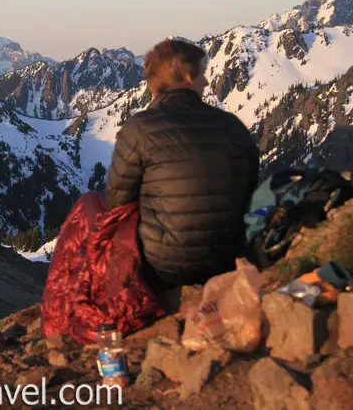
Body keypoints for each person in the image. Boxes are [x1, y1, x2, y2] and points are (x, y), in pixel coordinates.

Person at [106, 38, 259, 288]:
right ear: (189, 77)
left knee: (90, 207)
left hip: (164, 266)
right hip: (227, 257)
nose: (207, 81)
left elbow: (116, 200)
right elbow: (250, 189)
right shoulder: (232, 125)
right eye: (203, 73)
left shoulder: (139, 129)